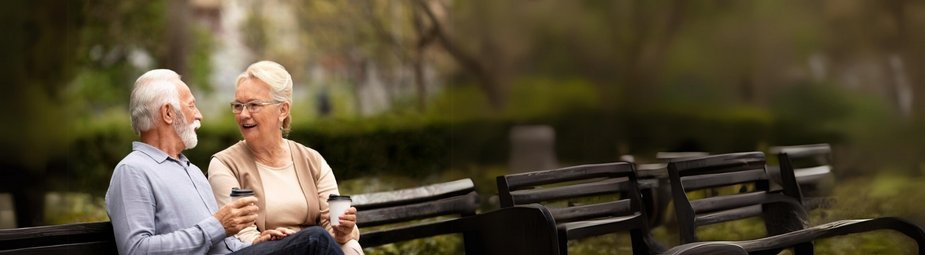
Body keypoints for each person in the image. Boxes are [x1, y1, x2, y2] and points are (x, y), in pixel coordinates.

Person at [105, 69, 344, 255]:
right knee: (315, 241)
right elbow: (136, 250)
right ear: (168, 113)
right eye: (191, 105)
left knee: (308, 242)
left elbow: (222, 241)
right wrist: (217, 226)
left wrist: (258, 243)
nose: (199, 115)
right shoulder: (133, 170)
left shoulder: (192, 171)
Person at [208, 61, 363, 255]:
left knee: (349, 246)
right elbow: (240, 233)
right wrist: (258, 239)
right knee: (315, 237)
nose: (243, 114)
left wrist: (343, 231)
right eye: (238, 106)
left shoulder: (311, 160)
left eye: (254, 105)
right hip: (267, 251)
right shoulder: (225, 164)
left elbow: (331, 224)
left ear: (283, 110)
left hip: (313, 249)